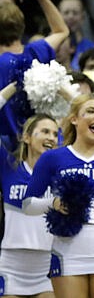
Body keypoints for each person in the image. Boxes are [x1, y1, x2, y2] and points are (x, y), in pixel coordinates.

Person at [22, 93, 94, 298]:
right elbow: (28, 205)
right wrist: (54, 202)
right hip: (67, 250)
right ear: (74, 119)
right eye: (90, 111)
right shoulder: (52, 158)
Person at [0, 0, 69, 150]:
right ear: (22, 27)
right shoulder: (36, 52)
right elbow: (62, 31)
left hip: (8, 147)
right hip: (42, 140)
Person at [0, 114, 58, 298]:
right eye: (45, 131)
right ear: (27, 137)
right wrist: (14, 87)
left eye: (56, 134)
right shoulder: (9, 167)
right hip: (10, 268)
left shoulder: (60, 174)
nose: (51, 137)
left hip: (45, 270)